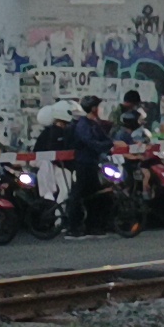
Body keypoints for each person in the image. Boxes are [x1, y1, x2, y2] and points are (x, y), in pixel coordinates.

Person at [70, 96, 116, 235]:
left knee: (96, 194)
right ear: (93, 108)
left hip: (93, 163)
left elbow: (107, 140)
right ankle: (73, 227)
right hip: (83, 163)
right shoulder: (83, 124)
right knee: (78, 195)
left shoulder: (95, 124)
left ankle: (93, 225)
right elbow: (91, 143)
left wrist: (107, 145)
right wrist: (104, 146)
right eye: (98, 106)